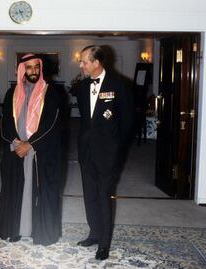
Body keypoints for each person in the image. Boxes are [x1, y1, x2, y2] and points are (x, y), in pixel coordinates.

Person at [0, 53, 62, 246]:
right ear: (22, 70)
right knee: (16, 190)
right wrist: (15, 142)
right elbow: (5, 121)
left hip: (39, 151)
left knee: (38, 191)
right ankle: (15, 229)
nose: (32, 71)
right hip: (16, 149)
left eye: (36, 67)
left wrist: (31, 144)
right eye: (29, 67)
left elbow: (51, 124)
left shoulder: (50, 93)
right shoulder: (12, 93)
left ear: (40, 69)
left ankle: (38, 232)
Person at [76, 45, 134, 260]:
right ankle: (94, 233)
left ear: (96, 62)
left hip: (108, 153)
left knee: (103, 195)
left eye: (84, 61)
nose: (80, 65)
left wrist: (117, 149)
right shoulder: (82, 87)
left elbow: (128, 123)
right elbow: (85, 122)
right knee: (89, 194)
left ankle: (104, 243)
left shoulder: (119, 86)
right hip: (86, 151)